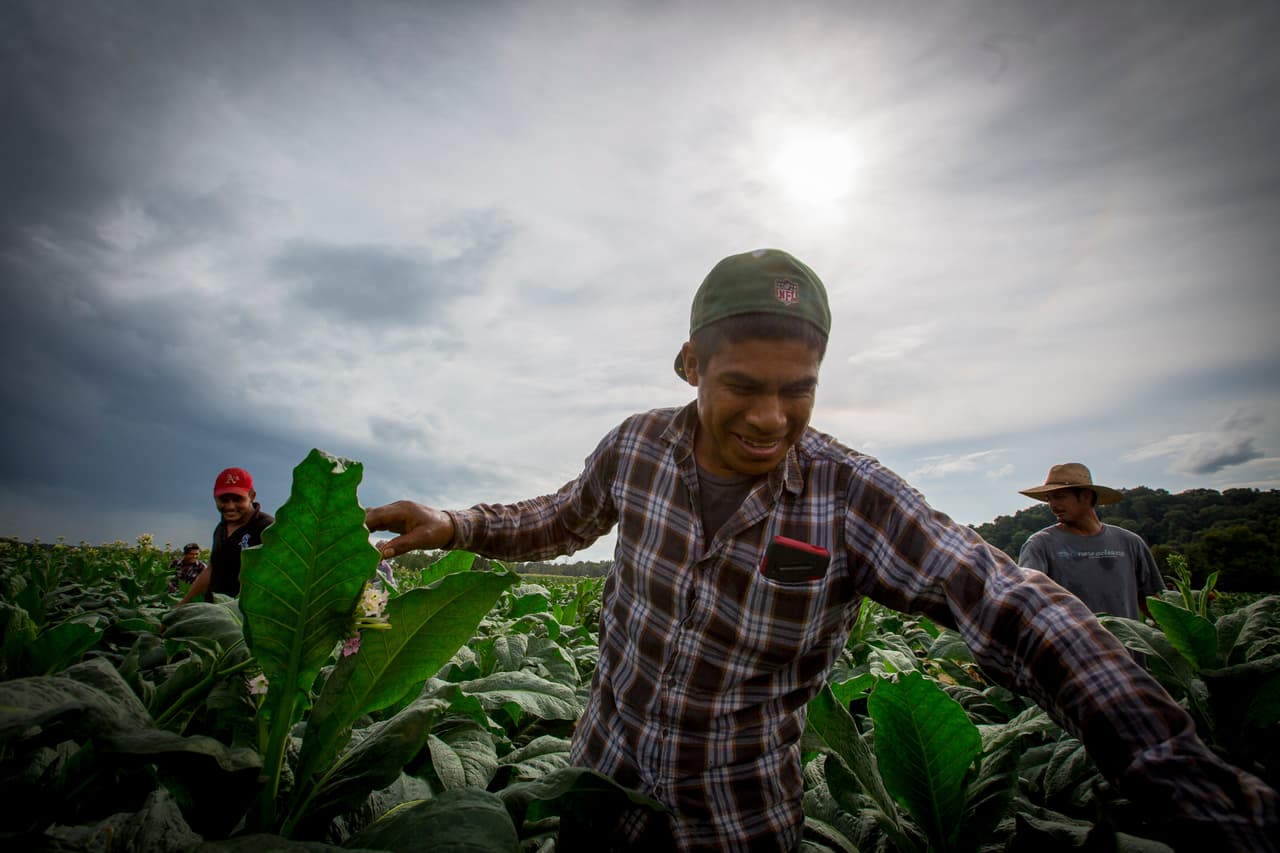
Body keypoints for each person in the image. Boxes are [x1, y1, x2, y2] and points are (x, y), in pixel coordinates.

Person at [366, 249, 1277, 852]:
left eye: (796, 391)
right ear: (690, 365)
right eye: (742, 386)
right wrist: (457, 523)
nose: (770, 418)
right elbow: (560, 516)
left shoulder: (851, 496)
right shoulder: (637, 445)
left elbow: (1006, 598)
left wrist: (1174, 772)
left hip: (734, 819)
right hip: (598, 787)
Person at [1017, 463, 1166, 620]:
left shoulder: (1130, 542)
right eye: (1049, 499)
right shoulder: (1040, 545)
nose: (1053, 506)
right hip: (1071, 644)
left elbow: (1155, 602)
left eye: (1060, 497)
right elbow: (1028, 601)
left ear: (1086, 496)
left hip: (1126, 644)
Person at [178, 467, 274, 605]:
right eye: (223, 499)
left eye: (237, 499)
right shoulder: (220, 529)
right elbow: (212, 569)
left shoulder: (267, 528)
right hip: (215, 612)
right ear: (214, 498)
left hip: (245, 619)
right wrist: (181, 606)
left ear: (252, 496)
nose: (230, 506)